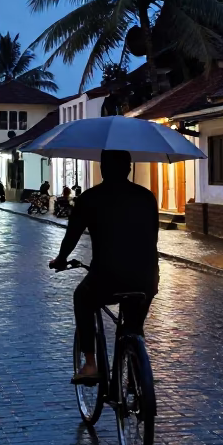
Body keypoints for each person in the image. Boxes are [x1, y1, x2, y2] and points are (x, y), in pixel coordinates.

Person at [49, 150, 158, 384]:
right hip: (146, 277)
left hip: (108, 276)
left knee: (82, 297)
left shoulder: (90, 198)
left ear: (102, 169)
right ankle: (136, 369)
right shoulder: (147, 197)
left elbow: (72, 236)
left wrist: (60, 259)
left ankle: (90, 364)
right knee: (133, 325)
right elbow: (153, 237)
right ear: (129, 168)